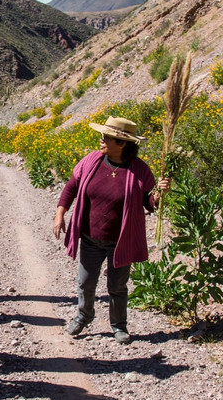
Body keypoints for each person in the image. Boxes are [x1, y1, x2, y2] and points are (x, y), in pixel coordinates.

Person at [51, 116, 169, 344]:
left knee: (117, 286)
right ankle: (84, 316)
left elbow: (149, 203)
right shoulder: (91, 161)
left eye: (107, 137)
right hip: (90, 238)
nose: (101, 140)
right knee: (85, 282)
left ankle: (118, 325)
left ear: (122, 143)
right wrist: (60, 214)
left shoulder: (140, 170)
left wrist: (159, 194)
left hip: (121, 241)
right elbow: (71, 187)